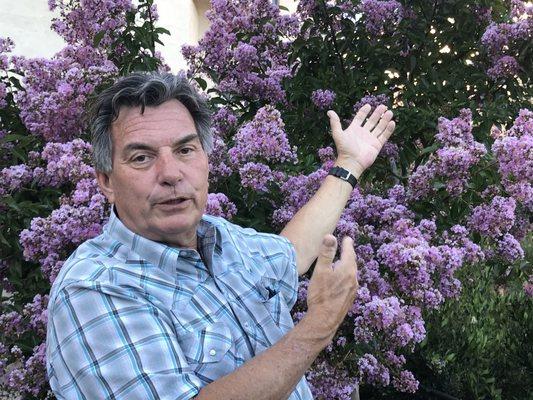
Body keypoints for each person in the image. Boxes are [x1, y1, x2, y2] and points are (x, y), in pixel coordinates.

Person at [46, 72, 395, 399]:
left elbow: (293, 254)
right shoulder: (94, 287)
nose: (170, 174)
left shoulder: (220, 238)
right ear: (106, 181)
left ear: (206, 159)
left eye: (185, 150)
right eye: (141, 157)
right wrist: (319, 325)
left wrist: (349, 164)